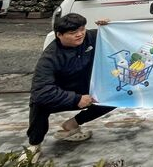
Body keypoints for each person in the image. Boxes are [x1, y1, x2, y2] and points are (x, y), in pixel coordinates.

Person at [23, 13, 115, 162]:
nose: (80, 34)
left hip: (86, 88)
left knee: (115, 96)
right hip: (62, 94)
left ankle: (72, 125)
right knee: (38, 104)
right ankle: (34, 145)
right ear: (59, 35)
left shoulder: (90, 37)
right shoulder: (50, 57)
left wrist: (110, 27)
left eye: (82, 29)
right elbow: (41, 91)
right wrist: (76, 99)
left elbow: (117, 37)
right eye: (73, 33)